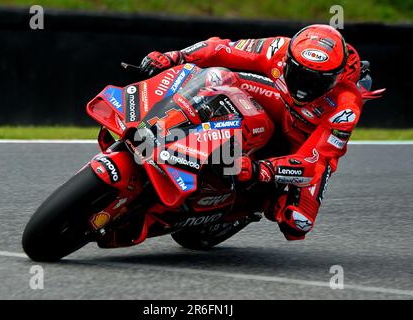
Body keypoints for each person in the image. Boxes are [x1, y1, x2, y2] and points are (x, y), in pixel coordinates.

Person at [139, 24, 384, 240]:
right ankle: (165, 124)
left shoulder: (347, 105)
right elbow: (220, 49)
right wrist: (175, 56)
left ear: (336, 79)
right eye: (299, 74)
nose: (304, 87)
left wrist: (261, 170)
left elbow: (314, 162)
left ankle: (253, 203)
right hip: (277, 103)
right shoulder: (277, 48)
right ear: (289, 60)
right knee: (218, 76)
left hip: (303, 143)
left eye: (317, 82)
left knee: (298, 222)